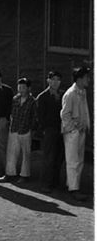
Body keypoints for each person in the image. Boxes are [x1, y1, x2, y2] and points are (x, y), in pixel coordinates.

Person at [61, 67, 91, 201]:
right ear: (79, 79)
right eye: (86, 77)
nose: (89, 80)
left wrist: (86, 126)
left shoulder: (82, 91)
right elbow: (65, 114)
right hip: (72, 132)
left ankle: (72, 185)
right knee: (73, 160)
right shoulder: (71, 93)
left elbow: (84, 111)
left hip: (81, 131)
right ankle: (74, 189)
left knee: (79, 161)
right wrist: (72, 128)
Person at [0, 78, 37, 184]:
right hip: (14, 128)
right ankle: (9, 173)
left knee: (26, 154)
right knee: (11, 152)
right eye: (19, 87)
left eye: (23, 87)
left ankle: (24, 175)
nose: (21, 90)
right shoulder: (15, 99)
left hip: (26, 129)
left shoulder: (32, 101)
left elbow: (34, 117)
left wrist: (32, 129)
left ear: (29, 88)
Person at [37, 71, 64, 193]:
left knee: (59, 157)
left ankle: (55, 182)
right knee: (49, 157)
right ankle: (45, 183)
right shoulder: (43, 96)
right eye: (53, 79)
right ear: (48, 80)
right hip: (49, 130)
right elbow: (40, 117)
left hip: (61, 130)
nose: (56, 82)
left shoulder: (63, 95)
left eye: (58, 80)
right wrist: (44, 129)